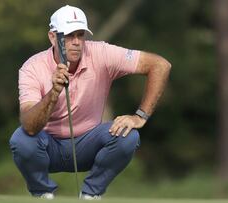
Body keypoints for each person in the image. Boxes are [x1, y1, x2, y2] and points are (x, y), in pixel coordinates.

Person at [9, 5, 171, 200]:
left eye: (80, 35)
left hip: (88, 145)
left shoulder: (101, 52)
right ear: (53, 37)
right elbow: (29, 125)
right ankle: (42, 193)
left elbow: (160, 65)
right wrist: (54, 93)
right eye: (69, 36)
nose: (76, 42)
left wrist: (140, 116)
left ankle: (91, 194)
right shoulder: (32, 67)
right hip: (47, 146)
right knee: (21, 139)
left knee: (128, 136)